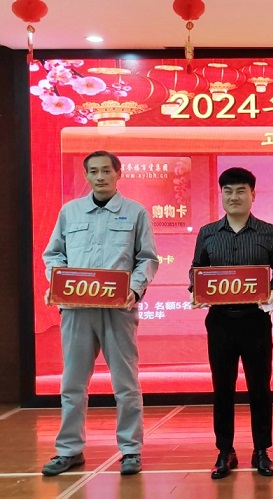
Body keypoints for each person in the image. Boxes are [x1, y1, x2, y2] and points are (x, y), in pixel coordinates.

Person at [41, 150, 159, 476]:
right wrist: (57, 281)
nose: (100, 177)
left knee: (125, 383)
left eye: (106, 170)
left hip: (118, 311)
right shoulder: (70, 212)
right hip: (76, 310)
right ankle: (69, 450)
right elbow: (53, 255)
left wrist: (134, 289)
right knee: (73, 384)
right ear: (86, 176)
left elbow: (147, 259)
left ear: (118, 174)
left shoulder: (135, 213)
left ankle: (131, 449)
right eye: (93, 171)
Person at [189, 167, 273, 479]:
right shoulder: (208, 233)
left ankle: (262, 451)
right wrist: (196, 290)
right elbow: (197, 269)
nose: (234, 197)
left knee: (260, 387)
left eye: (241, 191)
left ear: (253, 195)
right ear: (221, 195)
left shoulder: (269, 232)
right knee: (222, 387)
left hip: (255, 320)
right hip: (220, 321)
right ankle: (225, 451)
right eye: (228, 191)